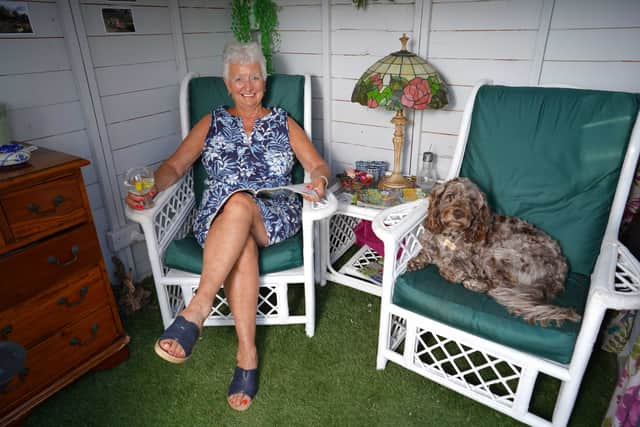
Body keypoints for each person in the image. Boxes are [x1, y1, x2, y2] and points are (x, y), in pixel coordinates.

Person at [125, 41, 330, 411]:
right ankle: (246, 355)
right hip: (218, 221)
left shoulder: (283, 120)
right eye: (239, 78)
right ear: (227, 83)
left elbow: (316, 164)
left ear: (264, 82)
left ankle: (197, 309)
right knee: (240, 238)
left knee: (240, 202)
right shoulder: (213, 120)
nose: (248, 85)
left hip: (273, 211)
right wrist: (152, 188)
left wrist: (318, 180)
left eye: (255, 77)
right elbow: (175, 165)